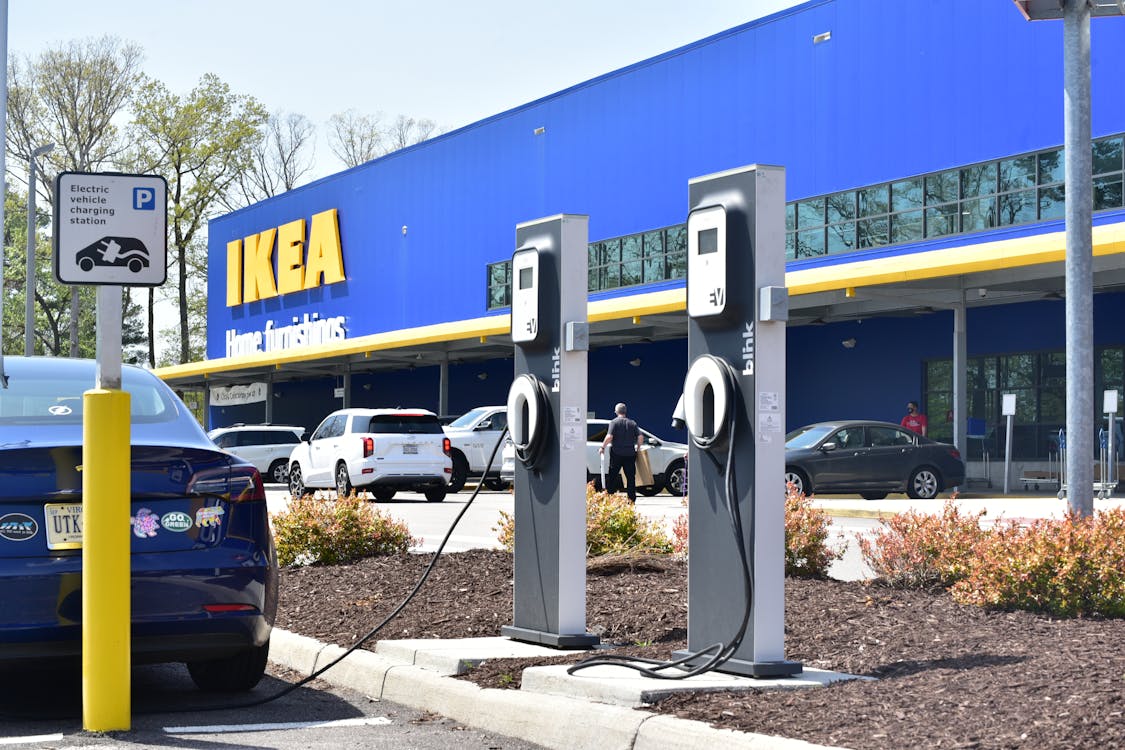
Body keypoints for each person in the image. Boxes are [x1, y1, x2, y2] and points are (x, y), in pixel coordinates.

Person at [599, 402, 644, 502]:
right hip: (630, 454)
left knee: (613, 476)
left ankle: (610, 497)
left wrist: (602, 447)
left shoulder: (614, 422)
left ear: (616, 411)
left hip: (617, 453)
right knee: (630, 477)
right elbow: (640, 437)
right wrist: (638, 447)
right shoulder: (632, 423)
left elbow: (610, 437)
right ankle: (631, 499)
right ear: (625, 411)